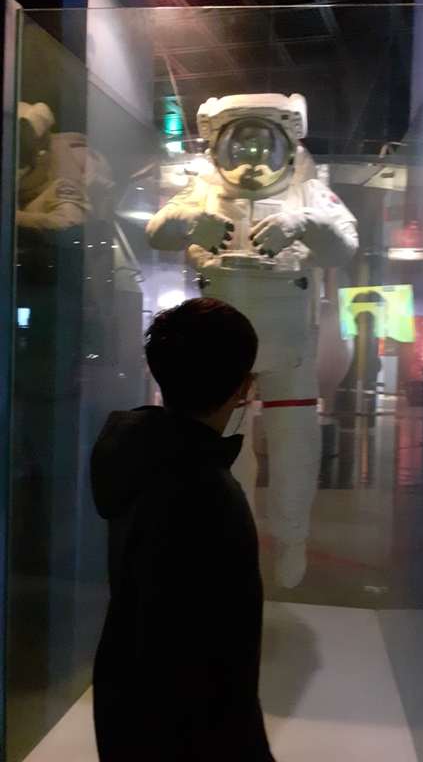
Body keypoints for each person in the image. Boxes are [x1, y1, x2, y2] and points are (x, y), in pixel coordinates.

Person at [146, 92, 358, 588]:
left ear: (286, 144)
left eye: (264, 145)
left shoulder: (308, 191)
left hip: (287, 346)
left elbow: (343, 245)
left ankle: (291, 539)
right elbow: (157, 232)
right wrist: (189, 222)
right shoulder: (203, 189)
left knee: (294, 450)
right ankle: (229, 539)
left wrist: (301, 223)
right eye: (240, 145)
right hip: (223, 344)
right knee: (224, 450)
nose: (252, 157)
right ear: (220, 145)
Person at [91, 297, 275, 762]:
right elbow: (185, 665)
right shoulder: (204, 494)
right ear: (244, 387)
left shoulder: (140, 457)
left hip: (125, 716)